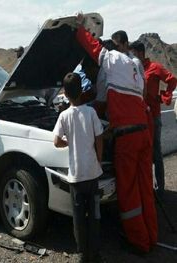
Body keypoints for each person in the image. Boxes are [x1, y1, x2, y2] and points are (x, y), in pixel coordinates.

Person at [75, 14, 157, 253]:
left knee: (129, 191)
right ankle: (151, 236)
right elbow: (128, 98)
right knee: (145, 189)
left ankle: (139, 243)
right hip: (144, 133)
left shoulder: (109, 59)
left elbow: (93, 48)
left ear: (110, 48)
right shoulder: (136, 66)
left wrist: (80, 29)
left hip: (128, 139)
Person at [54, 72, 103, 263]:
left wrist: (69, 142)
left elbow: (56, 141)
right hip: (92, 173)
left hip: (76, 177)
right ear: (82, 91)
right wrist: (98, 159)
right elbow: (99, 137)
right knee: (95, 214)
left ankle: (82, 252)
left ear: (65, 95)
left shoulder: (64, 116)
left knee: (79, 218)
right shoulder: (91, 113)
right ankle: (96, 251)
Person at [130, 40, 177, 197]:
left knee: (156, 153)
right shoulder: (134, 70)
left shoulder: (155, 68)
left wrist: (163, 96)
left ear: (141, 53)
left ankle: (161, 190)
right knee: (143, 154)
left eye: (133, 53)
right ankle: (147, 189)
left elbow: (172, 80)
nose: (131, 57)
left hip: (154, 117)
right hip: (139, 119)